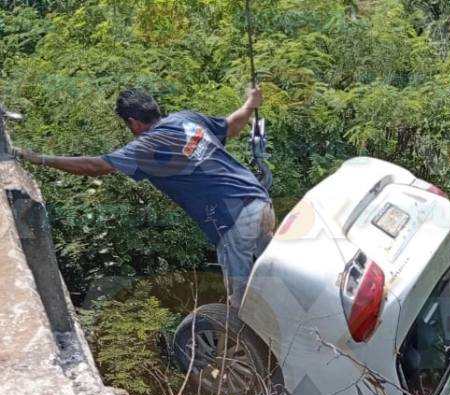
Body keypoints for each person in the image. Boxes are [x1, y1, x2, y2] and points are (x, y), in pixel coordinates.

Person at [13, 86, 275, 306]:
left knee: (243, 303)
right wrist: (250, 104)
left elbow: (95, 166)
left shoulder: (147, 146)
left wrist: (40, 158)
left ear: (133, 123)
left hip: (233, 220)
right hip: (259, 201)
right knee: (274, 279)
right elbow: (230, 126)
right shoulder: (187, 119)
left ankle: (256, 357)